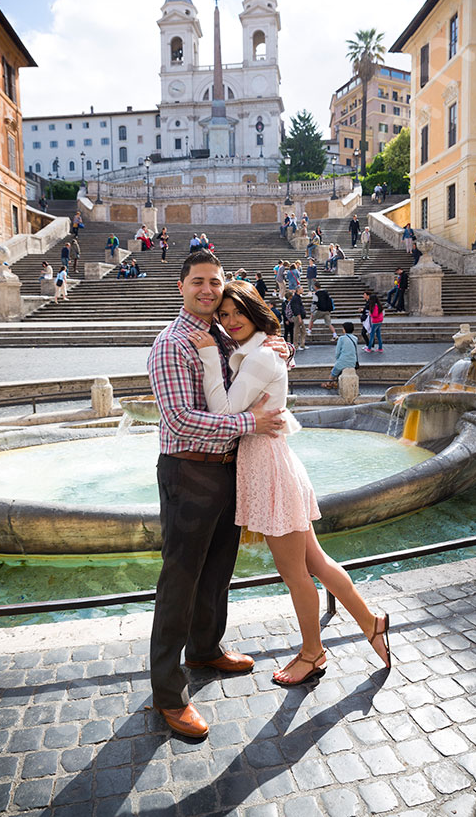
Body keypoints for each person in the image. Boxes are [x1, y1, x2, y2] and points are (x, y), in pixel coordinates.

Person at [190, 283, 391, 686]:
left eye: (236, 313)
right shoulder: (261, 352)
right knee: (316, 563)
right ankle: (372, 622)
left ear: (254, 311)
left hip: (270, 471)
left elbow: (225, 410)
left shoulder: (260, 357)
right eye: (224, 316)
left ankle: (313, 653)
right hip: (277, 464)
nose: (229, 322)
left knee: (295, 572)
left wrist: (210, 357)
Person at [147, 250, 288, 739]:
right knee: (179, 581)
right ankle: (167, 692)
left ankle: (205, 648)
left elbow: (254, 359)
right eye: (198, 282)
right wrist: (251, 423)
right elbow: (181, 419)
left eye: (215, 282)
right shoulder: (171, 344)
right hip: (187, 470)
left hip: (229, 468)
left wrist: (275, 346)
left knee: (217, 571)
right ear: (181, 287)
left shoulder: (223, 335)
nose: (208, 291)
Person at [321, 322, 359, 389]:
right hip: (353, 361)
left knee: (334, 371)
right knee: (340, 369)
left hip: (343, 360)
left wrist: (338, 359)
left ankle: (328, 383)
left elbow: (338, 352)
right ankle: (336, 383)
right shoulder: (355, 338)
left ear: (344, 330)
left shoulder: (341, 338)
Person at [290, 286, 306, 350]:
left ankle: (302, 344)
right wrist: (299, 317)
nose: (303, 290)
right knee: (296, 331)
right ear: (298, 290)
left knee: (303, 331)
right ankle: (296, 345)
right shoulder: (295, 298)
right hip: (297, 317)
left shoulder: (297, 297)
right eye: (302, 289)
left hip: (300, 316)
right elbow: (296, 308)